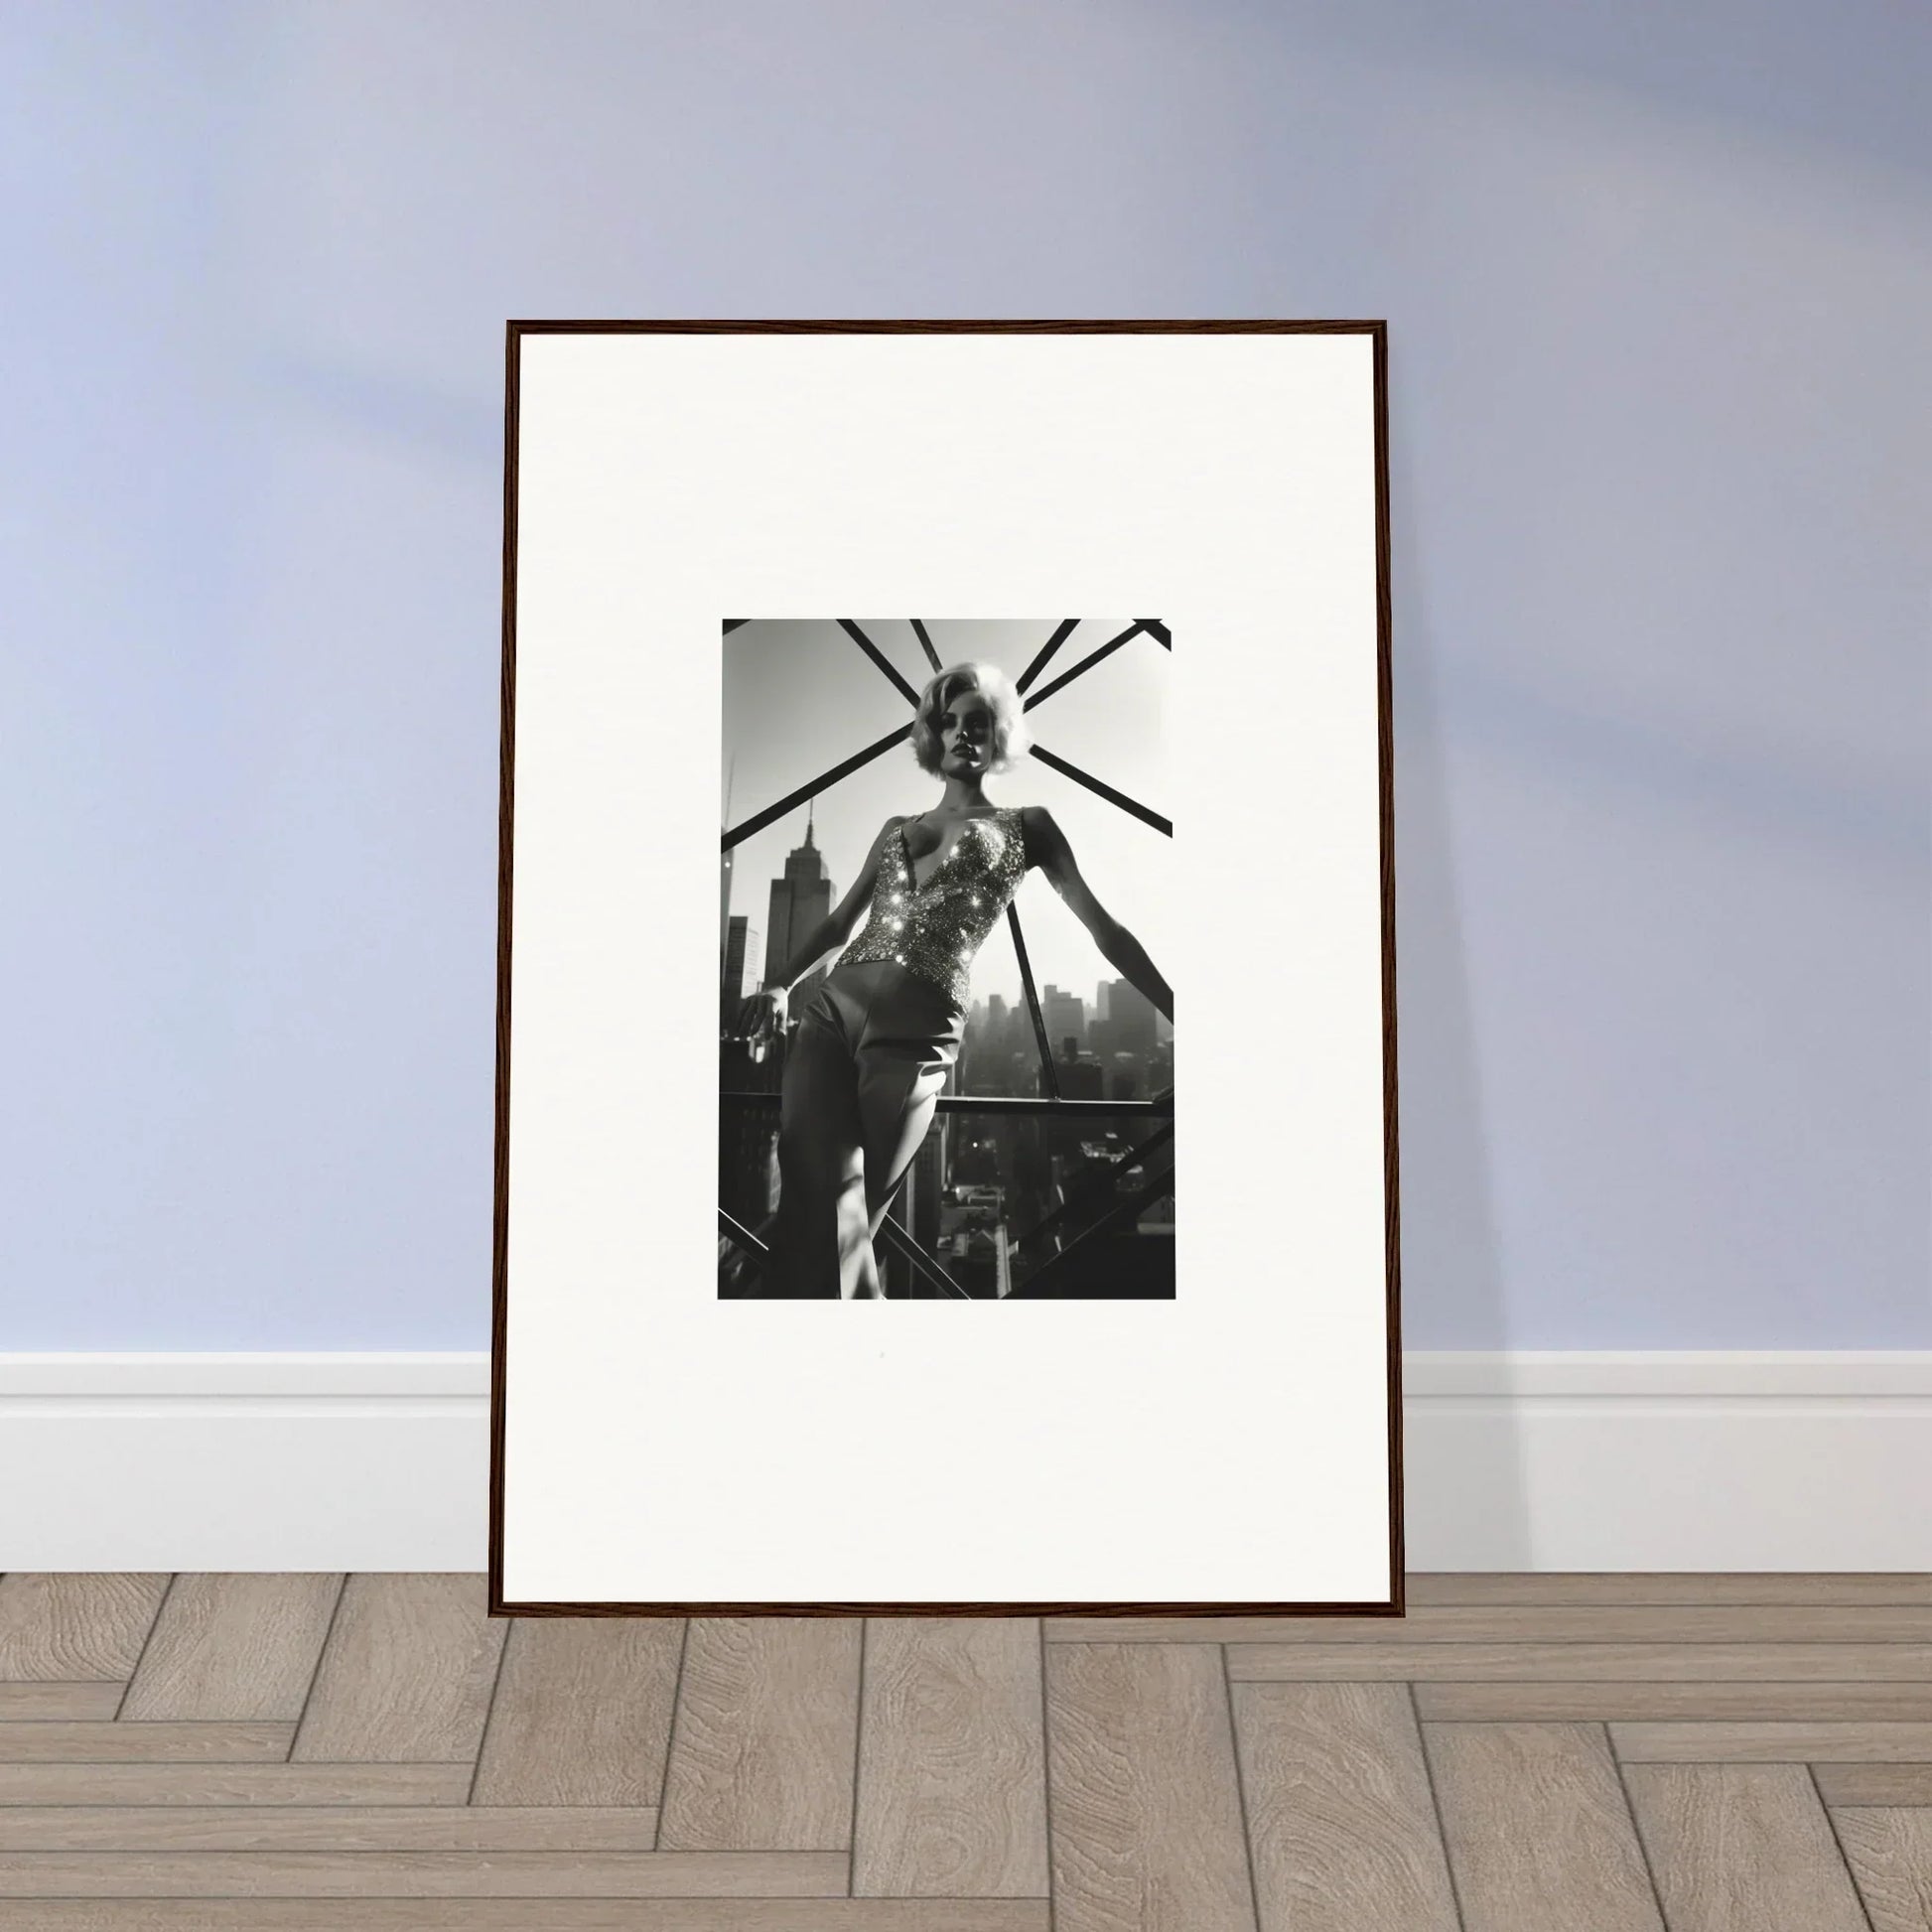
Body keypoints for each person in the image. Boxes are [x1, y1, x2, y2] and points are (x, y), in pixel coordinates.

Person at [734, 659, 1173, 1299]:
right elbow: (838, 926)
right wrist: (779, 985)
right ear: (932, 738)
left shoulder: (1029, 826)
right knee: (810, 1197)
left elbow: (1102, 929)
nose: (964, 733)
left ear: (999, 739)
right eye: (950, 722)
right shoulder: (895, 829)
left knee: (848, 1217)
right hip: (830, 1014)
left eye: (980, 723)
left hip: (917, 1029)